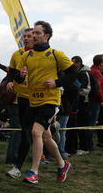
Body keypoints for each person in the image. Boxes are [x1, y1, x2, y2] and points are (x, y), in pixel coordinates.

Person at [15, 21, 77, 184]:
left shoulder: (56, 54)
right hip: (33, 102)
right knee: (46, 137)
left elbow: (73, 73)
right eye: (33, 33)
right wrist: (20, 75)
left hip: (50, 101)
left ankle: (34, 172)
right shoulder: (26, 56)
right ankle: (63, 164)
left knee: (35, 132)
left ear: (46, 36)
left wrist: (57, 83)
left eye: (37, 33)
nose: (33, 36)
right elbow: (18, 78)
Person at [1, 27, 33, 176]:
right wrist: (9, 81)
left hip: (35, 99)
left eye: (29, 36)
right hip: (17, 99)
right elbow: (11, 73)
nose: (26, 38)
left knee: (35, 132)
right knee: (19, 130)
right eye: (24, 36)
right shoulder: (17, 54)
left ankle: (33, 158)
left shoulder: (40, 55)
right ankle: (13, 158)